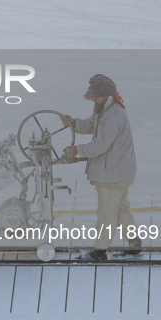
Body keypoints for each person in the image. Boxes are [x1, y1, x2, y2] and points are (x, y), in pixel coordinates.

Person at [60, 74, 142, 261]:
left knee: (106, 213)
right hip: (121, 171)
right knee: (121, 209)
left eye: (95, 97)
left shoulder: (113, 115)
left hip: (113, 175)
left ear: (105, 95)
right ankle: (135, 245)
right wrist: (74, 123)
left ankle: (100, 251)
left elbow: (100, 145)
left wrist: (77, 149)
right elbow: (92, 125)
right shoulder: (107, 108)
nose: (93, 100)